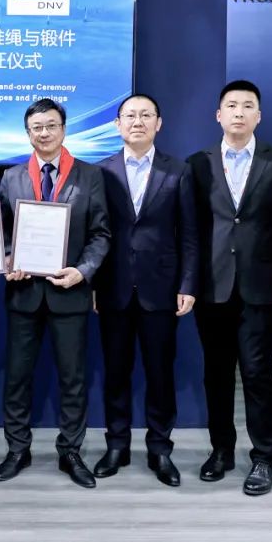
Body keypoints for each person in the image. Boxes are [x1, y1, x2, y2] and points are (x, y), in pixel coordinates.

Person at [187, 80, 272, 496]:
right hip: (212, 286)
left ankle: (264, 456)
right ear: (218, 115)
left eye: (247, 105)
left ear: (259, 115)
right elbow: (192, 230)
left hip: (260, 285)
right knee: (216, 374)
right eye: (231, 105)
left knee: (257, 372)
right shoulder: (197, 164)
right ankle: (221, 450)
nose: (239, 112)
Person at [0, 98, 110, 489]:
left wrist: (83, 271)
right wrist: (8, 258)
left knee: (73, 379)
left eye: (50, 125)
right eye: (36, 128)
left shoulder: (90, 175)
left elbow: (101, 234)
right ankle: (17, 449)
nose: (44, 133)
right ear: (28, 133)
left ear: (63, 128)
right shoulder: (12, 176)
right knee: (17, 378)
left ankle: (71, 451)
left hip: (69, 293)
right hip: (24, 292)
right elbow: (3, 232)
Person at [92, 94, 199, 487]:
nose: (137, 122)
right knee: (115, 373)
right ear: (117, 124)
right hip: (113, 287)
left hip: (162, 288)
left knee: (160, 373)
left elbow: (190, 234)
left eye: (145, 115)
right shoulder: (100, 171)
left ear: (159, 123)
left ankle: (160, 449)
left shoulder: (179, 170)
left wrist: (187, 283)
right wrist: (93, 283)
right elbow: (95, 233)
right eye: (130, 115)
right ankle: (116, 445)